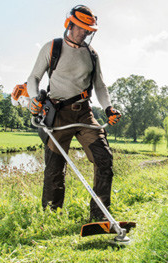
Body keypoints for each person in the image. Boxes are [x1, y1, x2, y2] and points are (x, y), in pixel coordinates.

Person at [26, 5, 122, 221]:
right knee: (54, 169)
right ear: (69, 24)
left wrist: (108, 108)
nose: (85, 33)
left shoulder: (92, 55)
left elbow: (100, 85)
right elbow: (33, 78)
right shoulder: (53, 48)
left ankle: (100, 216)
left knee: (104, 159)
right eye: (81, 28)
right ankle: (51, 217)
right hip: (58, 114)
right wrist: (34, 100)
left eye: (88, 30)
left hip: (84, 114)